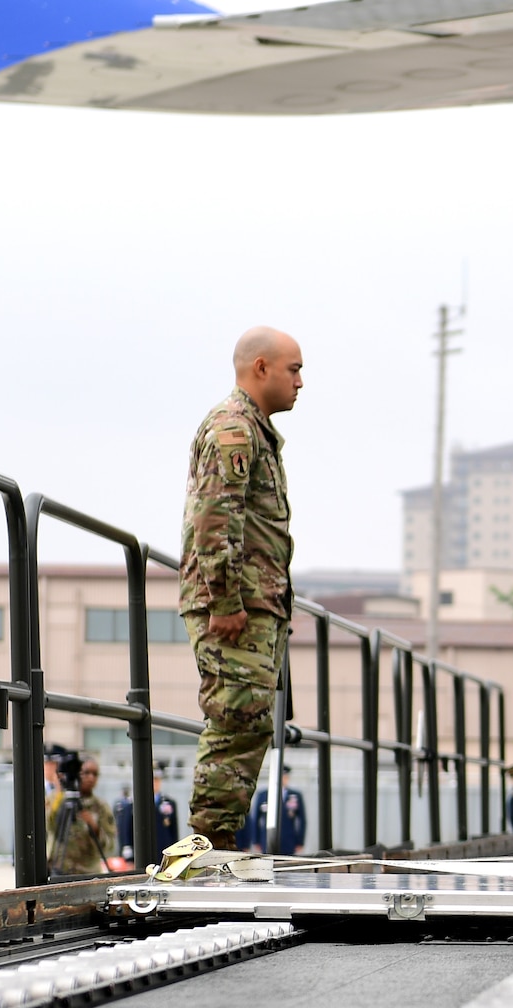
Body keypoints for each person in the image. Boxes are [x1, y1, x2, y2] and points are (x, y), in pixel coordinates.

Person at [180, 327, 302, 850]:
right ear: (261, 368)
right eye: (293, 369)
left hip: (256, 603)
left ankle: (217, 840)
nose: (301, 381)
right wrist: (225, 602)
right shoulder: (234, 428)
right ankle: (207, 843)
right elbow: (214, 519)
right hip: (236, 605)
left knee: (249, 722)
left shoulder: (254, 431)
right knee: (235, 719)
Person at [47, 755, 116, 878]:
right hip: (58, 870)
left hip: (88, 873)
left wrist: (94, 827)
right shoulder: (56, 799)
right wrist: (60, 793)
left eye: (95, 774)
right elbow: (49, 826)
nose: (91, 778)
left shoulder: (100, 806)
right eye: (86, 773)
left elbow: (110, 845)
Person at [118, 770, 182, 866]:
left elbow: (173, 832)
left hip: (163, 855)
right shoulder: (132, 805)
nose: (154, 783)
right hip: (142, 855)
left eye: (157, 779)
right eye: (152, 779)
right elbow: (126, 832)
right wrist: (129, 858)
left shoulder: (169, 803)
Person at [247, 769, 306, 855]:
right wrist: (256, 840)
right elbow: (255, 819)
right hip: (267, 838)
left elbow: (302, 820)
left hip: (288, 840)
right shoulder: (263, 795)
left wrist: (300, 841)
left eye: (285, 777)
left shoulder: (295, 796)